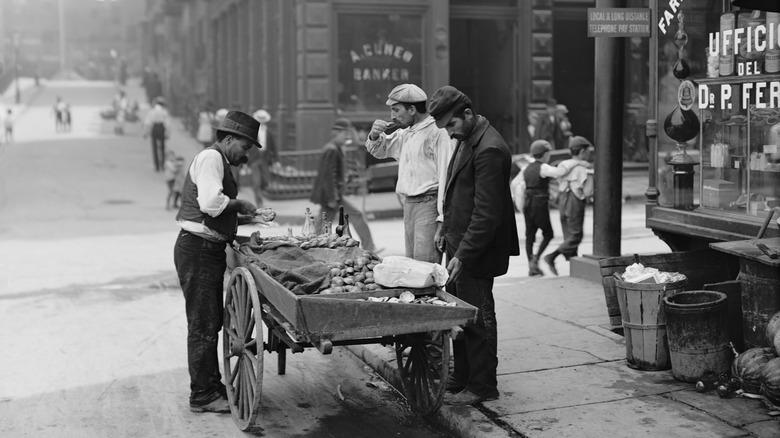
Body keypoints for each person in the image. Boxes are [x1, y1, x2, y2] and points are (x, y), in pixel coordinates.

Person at [428, 85, 519, 406]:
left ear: (467, 113)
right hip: (460, 244)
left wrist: (463, 254)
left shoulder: (490, 149)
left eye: (451, 124)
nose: (450, 133)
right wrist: (444, 227)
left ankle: (482, 385)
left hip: (476, 251)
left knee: (478, 317)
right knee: (460, 314)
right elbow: (457, 190)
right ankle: (462, 376)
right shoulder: (468, 138)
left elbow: (486, 213)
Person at [173, 110, 262, 414]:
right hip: (197, 249)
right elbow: (211, 205)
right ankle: (202, 395)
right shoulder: (211, 158)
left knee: (210, 321)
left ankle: (211, 384)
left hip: (205, 249)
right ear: (227, 139)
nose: (245, 155)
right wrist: (241, 205)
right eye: (244, 147)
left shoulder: (220, 161)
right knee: (202, 324)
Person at [365, 84, 454, 263]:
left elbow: (446, 176)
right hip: (409, 205)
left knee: (425, 267)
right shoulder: (406, 133)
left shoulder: (437, 133)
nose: (392, 116)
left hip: (429, 204)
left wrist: (442, 219)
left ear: (412, 109)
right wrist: (374, 135)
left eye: (396, 110)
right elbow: (380, 150)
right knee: (413, 266)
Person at [512, 140, 584, 276]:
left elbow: (515, 183)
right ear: (545, 154)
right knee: (548, 234)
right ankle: (536, 258)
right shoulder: (543, 167)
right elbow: (559, 173)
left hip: (527, 204)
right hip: (539, 204)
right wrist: (576, 162)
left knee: (530, 235)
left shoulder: (526, 168)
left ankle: (531, 267)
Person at [310, 118, 377, 252]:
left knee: (323, 222)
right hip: (332, 195)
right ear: (336, 133)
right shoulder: (332, 150)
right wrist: (331, 197)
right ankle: (312, 247)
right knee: (326, 222)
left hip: (333, 194)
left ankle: (312, 247)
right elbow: (328, 176)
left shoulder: (336, 148)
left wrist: (346, 178)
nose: (347, 136)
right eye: (344, 134)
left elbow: (334, 173)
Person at [542, 136, 595, 276]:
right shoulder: (583, 168)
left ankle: (573, 267)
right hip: (574, 201)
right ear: (582, 151)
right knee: (576, 235)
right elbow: (588, 191)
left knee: (568, 235)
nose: (589, 154)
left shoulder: (563, 165)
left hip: (562, 201)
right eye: (588, 151)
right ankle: (551, 256)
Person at [246, 109, 279, 207]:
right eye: (259, 119)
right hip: (254, 159)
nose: (261, 121)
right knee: (256, 183)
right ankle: (259, 203)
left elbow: (274, 147)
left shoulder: (269, 132)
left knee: (266, 181)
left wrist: (277, 160)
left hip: (265, 159)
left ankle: (261, 193)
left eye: (263, 119)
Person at [144, 96, 171, 172]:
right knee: (162, 147)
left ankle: (156, 166)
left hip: (154, 128)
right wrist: (167, 133)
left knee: (154, 148)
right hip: (161, 128)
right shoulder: (164, 111)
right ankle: (162, 165)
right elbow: (167, 123)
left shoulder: (152, 111)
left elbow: (148, 122)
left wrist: (146, 132)